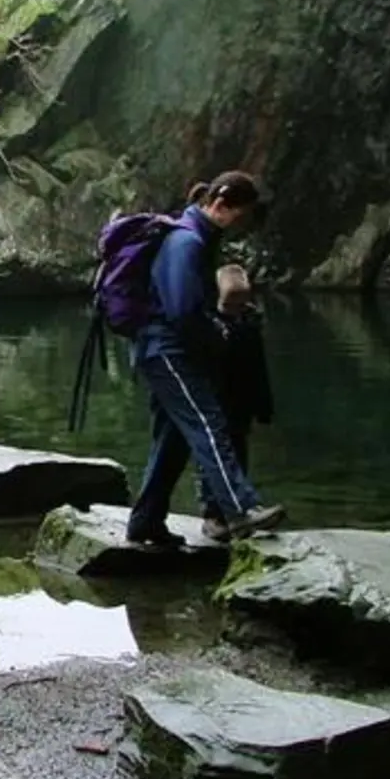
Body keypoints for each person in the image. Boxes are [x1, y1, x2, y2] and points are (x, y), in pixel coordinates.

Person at [125, 170, 285, 546]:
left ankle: (145, 523)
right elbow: (182, 311)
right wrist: (218, 333)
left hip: (160, 350)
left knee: (173, 440)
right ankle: (239, 509)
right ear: (220, 204)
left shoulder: (194, 239)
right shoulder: (186, 243)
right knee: (209, 423)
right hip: (167, 351)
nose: (239, 225)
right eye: (239, 215)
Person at [196, 263, 275, 542]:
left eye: (239, 305)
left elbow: (258, 370)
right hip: (216, 402)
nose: (235, 310)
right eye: (229, 305)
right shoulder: (210, 326)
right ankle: (213, 513)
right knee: (214, 457)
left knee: (239, 453)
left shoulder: (249, 327)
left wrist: (263, 408)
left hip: (240, 403)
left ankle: (238, 506)